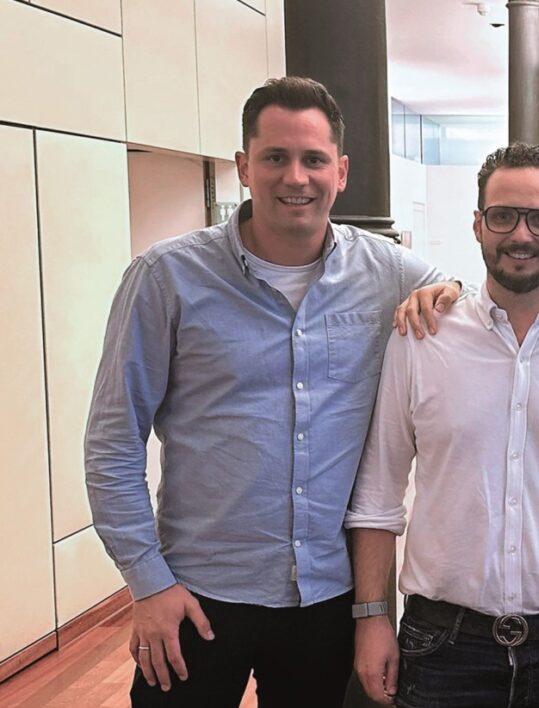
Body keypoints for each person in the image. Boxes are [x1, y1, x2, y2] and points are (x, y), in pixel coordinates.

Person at [84, 76, 457, 707]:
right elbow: (112, 443)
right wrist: (146, 582)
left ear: (340, 171)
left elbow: (480, 301)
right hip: (195, 596)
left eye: (314, 159)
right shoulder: (166, 277)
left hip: (327, 602)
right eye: (275, 157)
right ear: (243, 167)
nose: (296, 177)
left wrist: (449, 292)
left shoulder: (387, 272)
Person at [346, 144, 539, 707]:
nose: (521, 235)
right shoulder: (421, 337)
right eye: (503, 216)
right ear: (478, 224)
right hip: (442, 643)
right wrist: (371, 617)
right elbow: (379, 494)